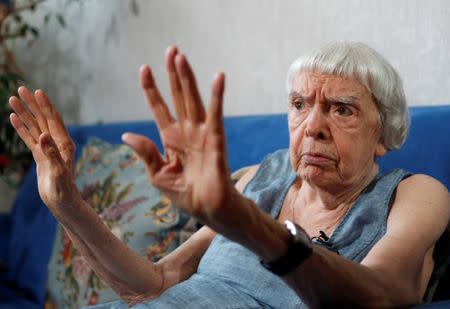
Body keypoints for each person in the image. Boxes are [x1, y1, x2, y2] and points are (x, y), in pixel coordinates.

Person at [8, 42, 450, 308]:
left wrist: (246, 222)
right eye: (299, 105)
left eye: (342, 109)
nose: (313, 126)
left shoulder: (412, 194)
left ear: (383, 133)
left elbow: (378, 295)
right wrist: (66, 204)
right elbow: (152, 285)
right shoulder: (257, 178)